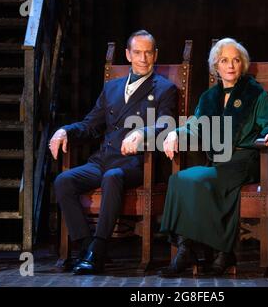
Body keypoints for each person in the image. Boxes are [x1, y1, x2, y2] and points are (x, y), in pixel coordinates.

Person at [50, 30, 177, 275]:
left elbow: (166, 123)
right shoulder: (112, 88)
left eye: (148, 53)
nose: (143, 58)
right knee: (63, 181)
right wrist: (66, 131)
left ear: (155, 55)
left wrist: (144, 132)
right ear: (128, 55)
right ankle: (88, 247)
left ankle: (96, 252)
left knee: (113, 177)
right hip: (103, 160)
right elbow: (90, 125)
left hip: (136, 164)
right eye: (137, 52)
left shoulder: (164, 88)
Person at [159, 38, 268, 276]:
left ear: (242, 65)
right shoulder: (209, 98)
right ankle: (186, 249)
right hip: (218, 161)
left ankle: (220, 252)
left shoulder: (255, 94)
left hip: (244, 160)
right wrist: (174, 134)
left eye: (236, 60)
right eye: (224, 60)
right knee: (179, 180)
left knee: (199, 181)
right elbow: (194, 126)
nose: (230, 65)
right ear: (216, 66)